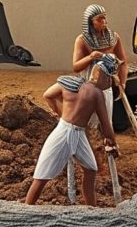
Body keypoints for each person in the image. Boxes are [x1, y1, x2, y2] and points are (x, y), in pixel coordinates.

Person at [25, 56, 118, 207]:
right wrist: (112, 142)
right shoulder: (96, 94)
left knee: (91, 169)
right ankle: (26, 209)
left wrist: (61, 112)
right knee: (42, 175)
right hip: (64, 134)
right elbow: (106, 125)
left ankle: (91, 209)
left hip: (78, 133)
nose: (109, 83)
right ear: (103, 76)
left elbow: (48, 95)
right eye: (109, 79)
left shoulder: (70, 83)